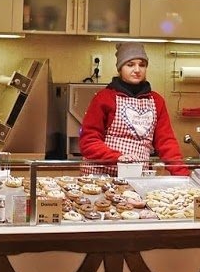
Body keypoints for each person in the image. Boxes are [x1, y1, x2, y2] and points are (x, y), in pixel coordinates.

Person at [79, 42, 190, 175]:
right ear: (120, 68)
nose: (137, 70)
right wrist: (116, 157)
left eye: (142, 65)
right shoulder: (104, 98)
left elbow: (166, 143)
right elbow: (88, 141)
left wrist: (183, 175)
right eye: (130, 64)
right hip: (101, 176)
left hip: (137, 178)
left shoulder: (156, 101)